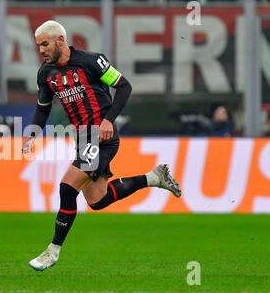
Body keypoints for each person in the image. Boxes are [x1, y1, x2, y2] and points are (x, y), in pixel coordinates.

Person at [22, 20, 181, 271]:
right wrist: (31, 132)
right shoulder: (46, 74)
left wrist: (108, 120)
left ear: (60, 40)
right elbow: (42, 109)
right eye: (38, 45)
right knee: (97, 200)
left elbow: (124, 86)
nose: (40, 49)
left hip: (102, 137)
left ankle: (52, 251)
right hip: (82, 139)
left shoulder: (91, 62)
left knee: (67, 187)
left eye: (44, 43)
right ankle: (153, 178)